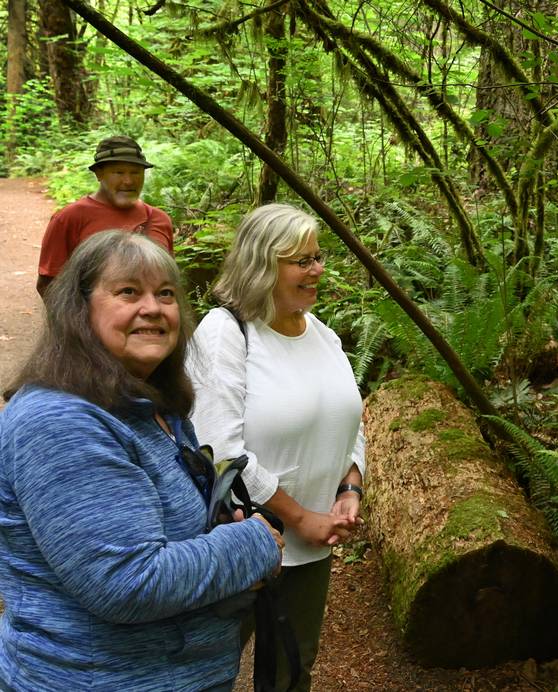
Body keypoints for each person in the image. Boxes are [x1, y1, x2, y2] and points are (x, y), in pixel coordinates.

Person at [0, 231, 284, 690]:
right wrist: (253, 545)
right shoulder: (60, 422)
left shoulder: (151, 408)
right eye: (128, 291)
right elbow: (126, 582)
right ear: (79, 310)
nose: (153, 308)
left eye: (166, 294)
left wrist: (218, 530)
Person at [188, 202, 366, 690]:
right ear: (262, 264)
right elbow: (220, 445)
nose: (318, 270)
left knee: (291, 669)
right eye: (302, 260)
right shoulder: (226, 332)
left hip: (311, 549)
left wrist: (349, 489)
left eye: (318, 257)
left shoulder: (323, 335)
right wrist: (300, 516)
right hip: (238, 539)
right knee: (204, 668)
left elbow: (351, 422)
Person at [37, 135, 174, 296]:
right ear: (99, 174)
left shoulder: (160, 219)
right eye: (119, 172)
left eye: (135, 172)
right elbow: (48, 284)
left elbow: (170, 281)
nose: (128, 181)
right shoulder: (69, 218)